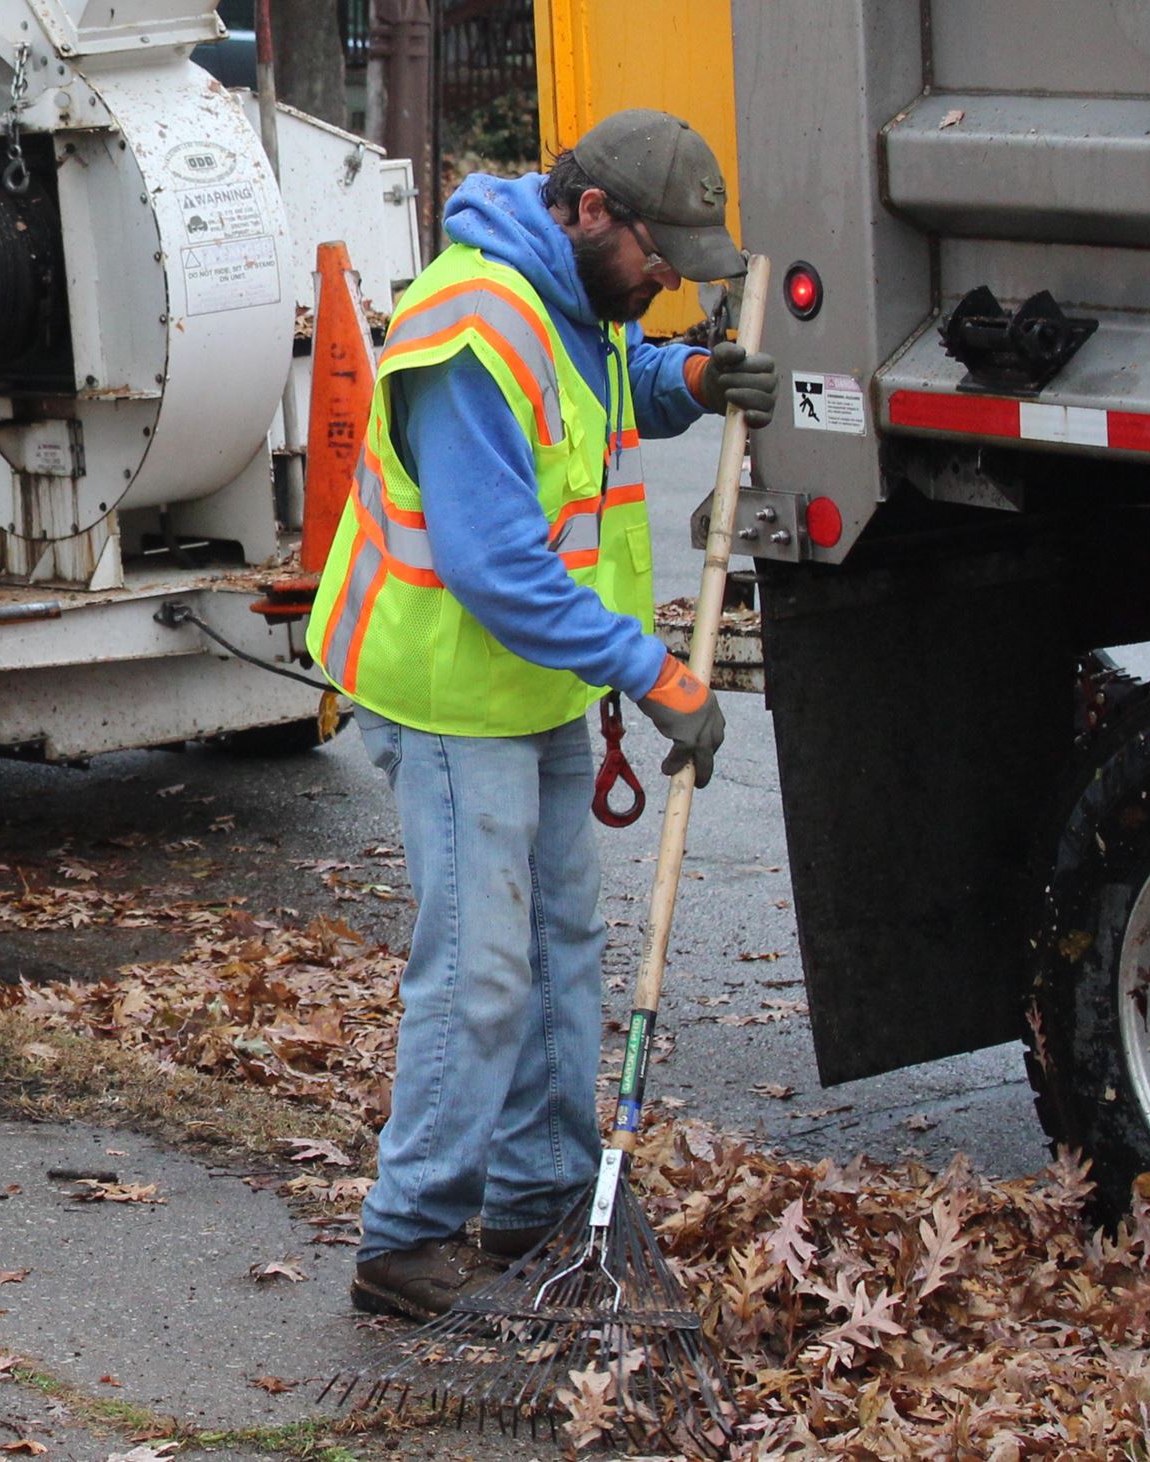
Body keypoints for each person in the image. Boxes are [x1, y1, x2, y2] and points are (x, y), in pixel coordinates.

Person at [306, 110, 780, 1318]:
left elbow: (603, 396)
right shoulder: (472, 328)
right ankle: (406, 1237)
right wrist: (656, 675)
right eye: (657, 255)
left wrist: (687, 376)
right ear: (587, 214)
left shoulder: (576, 301)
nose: (668, 279)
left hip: (529, 685)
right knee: (480, 971)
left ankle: (541, 1202)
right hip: (445, 687)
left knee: (561, 953)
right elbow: (497, 564)